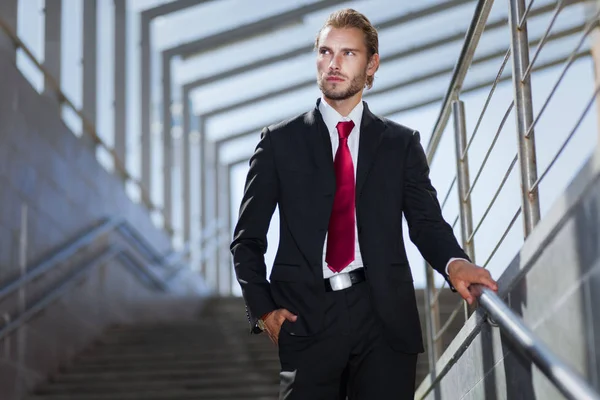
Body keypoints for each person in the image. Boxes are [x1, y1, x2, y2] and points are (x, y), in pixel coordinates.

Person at [230, 8, 498, 400]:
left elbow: (425, 223)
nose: (333, 64)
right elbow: (246, 240)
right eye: (325, 52)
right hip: (305, 317)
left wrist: (455, 263)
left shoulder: (400, 144)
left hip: (384, 318)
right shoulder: (277, 143)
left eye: (348, 54)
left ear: (372, 64)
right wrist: (263, 309)